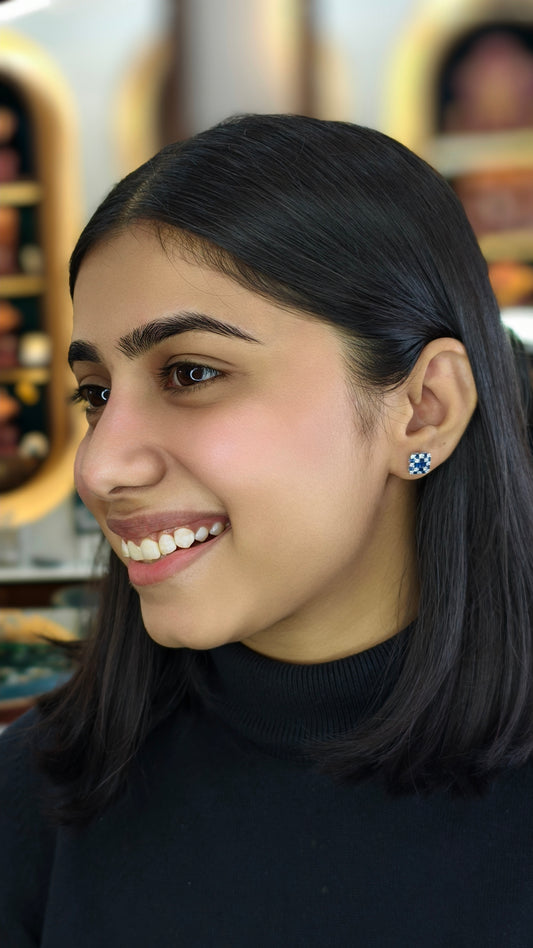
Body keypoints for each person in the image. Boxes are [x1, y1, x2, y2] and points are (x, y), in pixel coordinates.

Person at [1, 113, 533, 947]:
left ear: (423, 412)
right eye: (97, 393)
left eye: (191, 372)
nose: (100, 468)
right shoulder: (31, 801)